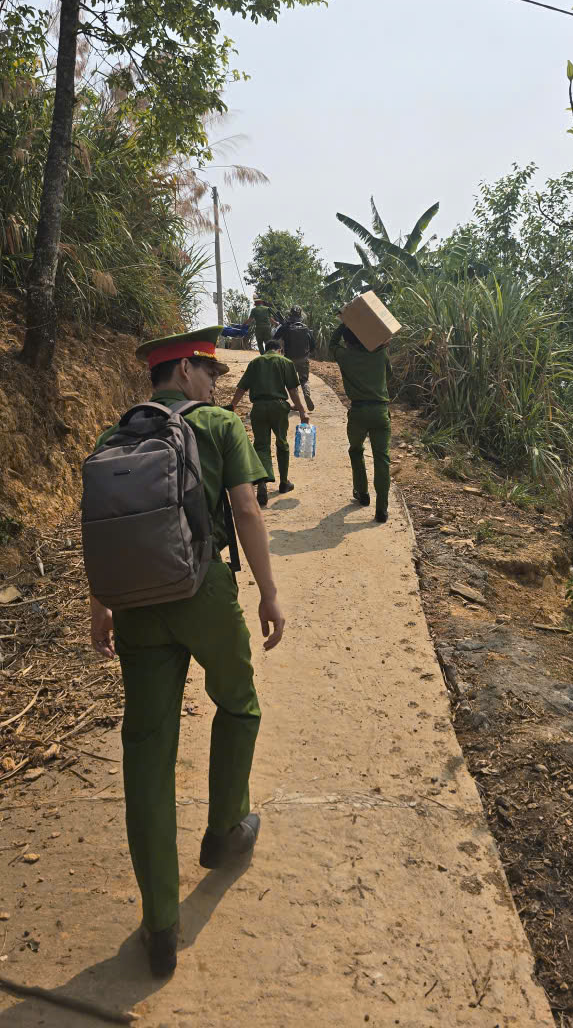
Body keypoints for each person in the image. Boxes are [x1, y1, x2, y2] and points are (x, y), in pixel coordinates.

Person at [88, 327, 284, 978]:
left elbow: (104, 528)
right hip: (203, 591)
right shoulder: (217, 426)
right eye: (209, 372)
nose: (216, 384)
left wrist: (102, 603)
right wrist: (268, 594)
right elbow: (246, 510)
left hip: (137, 606)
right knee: (239, 703)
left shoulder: (114, 436)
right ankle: (225, 830)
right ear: (182, 371)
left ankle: (159, 924)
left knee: (146, 754)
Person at [229, 339, 308, 506]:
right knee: (282, 443)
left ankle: (262, 483)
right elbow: (292, 390)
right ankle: (284, 482)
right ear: (279, 349)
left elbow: (242, 387)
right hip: (278, 407)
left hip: (258, 408)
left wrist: (232, 406)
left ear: (266, 349)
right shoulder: (285, 362)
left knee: (261, 445)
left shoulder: (255, 363)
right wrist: (302, 410)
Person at [329, 322, 391, 523]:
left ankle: (362, 493)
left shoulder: (345, 356)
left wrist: (344, 322)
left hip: (358, 412)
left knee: (356, 451)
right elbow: (389, 375)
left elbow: (332, 344)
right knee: (382, 459)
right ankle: (382, 509)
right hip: (380, 411)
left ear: (348, 341)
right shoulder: (380, 355)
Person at [274, 305, 316, 412]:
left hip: (289, 360)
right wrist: (307, 354)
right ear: (300, 315)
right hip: (303, 358)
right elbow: (313, 345)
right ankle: (307, 394)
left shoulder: (285, 327)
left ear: (290, 314)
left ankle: (297, 405)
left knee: (292, 383)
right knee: (304, 380)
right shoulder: (306, 328)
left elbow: (274, 339)